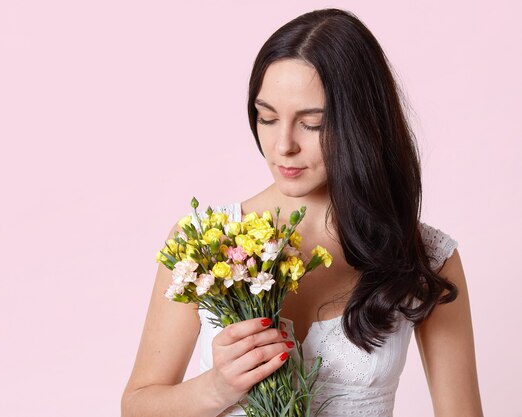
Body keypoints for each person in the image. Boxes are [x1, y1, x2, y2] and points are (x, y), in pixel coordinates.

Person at [121, 8, 483, 417]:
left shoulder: (424, 255)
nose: (283, 146)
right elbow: (137, 406)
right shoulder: (206, 243)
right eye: (267, 118)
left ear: (362, 124)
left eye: (312, 124)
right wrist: (217, 388)